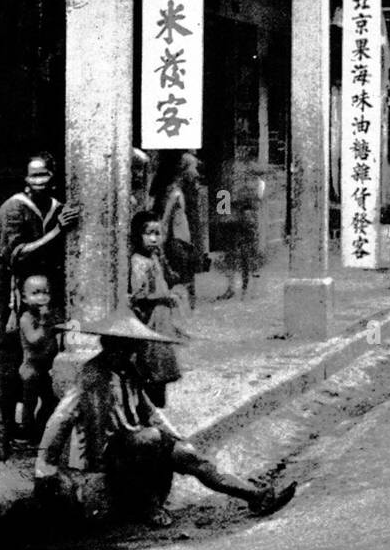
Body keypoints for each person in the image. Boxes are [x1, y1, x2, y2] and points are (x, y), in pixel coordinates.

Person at [34, 310, 297, 527]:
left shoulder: (130, 372)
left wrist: (178, 439)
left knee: (191, 456)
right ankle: (147, 507)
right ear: (110, 346)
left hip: (140, 443)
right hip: (108, 453)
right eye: (124, 348)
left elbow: (151, 413)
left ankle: (255, 495)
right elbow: (61, 417)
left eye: (131, 349)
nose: (129, 353)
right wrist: (45, 462)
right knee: (150, 439)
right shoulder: (91, 376)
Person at [0, 153, 79, 459]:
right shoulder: (13, 208)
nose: (39, 181)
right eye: (33, 176)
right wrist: (57, 231)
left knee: (44, 366)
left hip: (44, 294)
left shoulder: (58, 208)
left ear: (52, 177)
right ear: (25, 180)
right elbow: (15, 255)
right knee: (4, 367)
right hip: (10, 296)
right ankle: (1, 439)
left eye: (44, 175)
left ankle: (35, 430)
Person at [128, 212, 185, 408]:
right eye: (148, 233)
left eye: (157, 233)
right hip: (150, 321)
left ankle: (158, 416)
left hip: (161, 322)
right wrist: (165, 298)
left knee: (160, 371)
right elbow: (139, 296)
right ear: (138, 235)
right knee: (151, 370)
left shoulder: (154, 257)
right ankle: (150, 415)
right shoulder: (138, 262)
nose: (153, 238)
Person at [150, 151, 200, 295]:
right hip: (177, 243)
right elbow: (165, 221)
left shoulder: (183, 191)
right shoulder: (174, 192)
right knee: (181, 283)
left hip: (183, 242)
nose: (196, 173)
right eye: (193, 168)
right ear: (183, 169)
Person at [17, 273, 58, 444]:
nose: (42, 297)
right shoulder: (27, 318)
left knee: (50, 400)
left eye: (45, 292)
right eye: (36, 293)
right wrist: (43, 321)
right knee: (30, 402)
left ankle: (40, 429)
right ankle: (27, 429)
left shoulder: (50, 315)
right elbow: (34, 339)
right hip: (31, 368)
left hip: (46, 368)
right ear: (25, 298)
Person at [217, 160, 265, 302]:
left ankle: (247, 290)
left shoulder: (258, 185)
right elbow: (223, 204)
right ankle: (233, 288)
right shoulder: (229, 185)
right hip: (233, 223)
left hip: (247, 224)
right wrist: (225, 216)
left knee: (247, 257)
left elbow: (254, 203)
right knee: (231, 256)